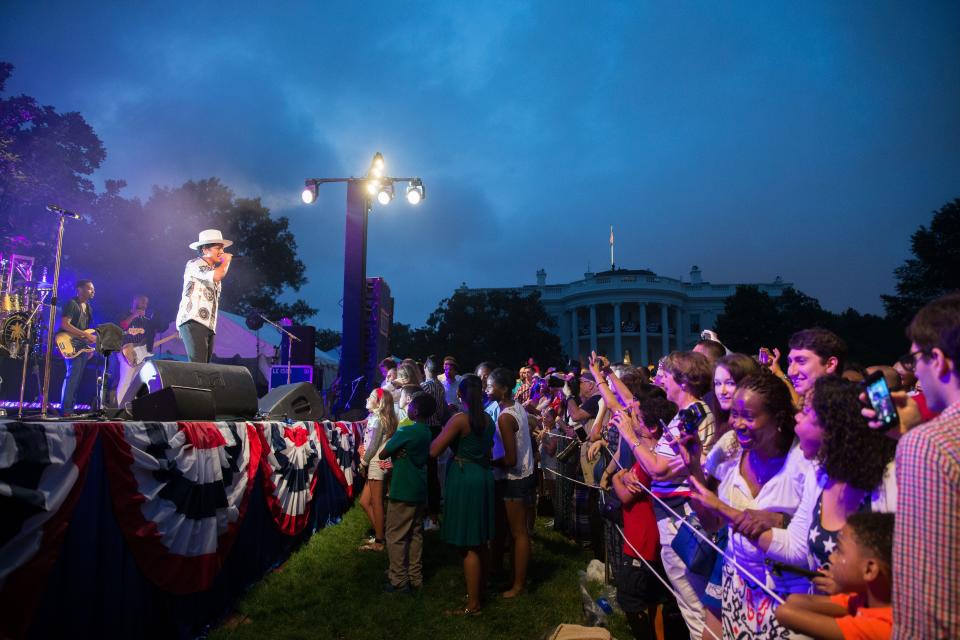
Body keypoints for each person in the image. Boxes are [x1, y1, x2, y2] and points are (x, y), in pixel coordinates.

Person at [685, 371, 812, 639]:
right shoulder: (731, 450)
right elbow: (713, 523)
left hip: (787, 596)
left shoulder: (802, 460)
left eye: (749, 417)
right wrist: (694, 466)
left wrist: (779, 520)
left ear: (778, 418)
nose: (737, 423)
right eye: (734, 414)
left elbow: (816, 539)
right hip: (738, 586)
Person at [869, 293, 960, 639]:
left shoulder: (930, 445)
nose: (914, 368)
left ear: (937, 360)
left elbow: (929, 596)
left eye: (914, 357)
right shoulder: (927, 439)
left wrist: (914, 439)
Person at [762, 376, 897, 588]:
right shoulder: (819, 474)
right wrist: (731, 516)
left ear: (833, 428)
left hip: (872, 617)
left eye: (806, 412)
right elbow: (797, 547)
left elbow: (904, 570)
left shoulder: (891, 481)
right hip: (828, 612)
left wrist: (848, 588)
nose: (797, 418)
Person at [628, 350, 715, 638]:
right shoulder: (684, 415)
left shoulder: (694, 414)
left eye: (667, 374)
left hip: (682, 517)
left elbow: (659, 469)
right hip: (671, 515)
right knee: (688, 602)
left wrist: (630, 435)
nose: (661, 380)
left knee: (696, 606)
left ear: (685, 381)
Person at [612, 394, 687, 640]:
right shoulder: (653, 452)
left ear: (652, 427)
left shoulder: (650, 456)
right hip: (648, 539)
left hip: (641, 543)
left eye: (637, 416)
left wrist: (616, 477)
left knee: (632, 599)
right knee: (654, 598)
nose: (631, 419)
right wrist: (623, 473)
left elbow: (625, 495)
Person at [430, 374, 495, 616]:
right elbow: (487, 451)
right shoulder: (489, 420)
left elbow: (434, 449)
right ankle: (480, 589)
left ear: (460, 394)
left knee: (468, 544)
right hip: (482, 476)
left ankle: (473, 604)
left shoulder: (460, 419)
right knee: (480, 541)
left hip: (465, 476)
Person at [776, 512, 895, 640]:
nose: (831, 557)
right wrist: (842, 587)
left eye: (839, 550)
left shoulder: (882, 628)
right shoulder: (863, 598)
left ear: (869, 570)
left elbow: (784, 613)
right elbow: (794, 601)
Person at [379, 394, 436, 593]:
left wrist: (396, 449)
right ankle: (415, 576)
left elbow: (383, 453)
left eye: (411, 404)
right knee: (415, 534)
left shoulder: (407, 431)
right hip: (419, 490)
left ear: (416, 411)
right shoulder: (427, 432)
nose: (408, 406)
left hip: (403, 489)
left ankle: (398, 580)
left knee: (395, 535)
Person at [487, 367, 536, 599]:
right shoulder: (511, 408)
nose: (487, 389)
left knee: (519, 533)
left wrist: (487, 461)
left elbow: (510, 458)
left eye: (490, 386)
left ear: (504, 389)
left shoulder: (506, 417)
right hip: (522, 475)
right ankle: (507, 574)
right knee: (512, 531)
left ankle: (518, 584)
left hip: (514, 479)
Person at [176, 229, 233, 363]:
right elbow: (218, 275)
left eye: (223, 249)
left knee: (204, 368)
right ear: (205, 249)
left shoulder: (212, 269)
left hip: (209, 324)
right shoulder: (195, 264)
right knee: (198, 366)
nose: (222, 252)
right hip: (193, 320)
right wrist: (227, 262)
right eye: (218, 248)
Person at [358, 388, 398, 552]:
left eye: (372, 396)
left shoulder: (378, 420)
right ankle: (383, 535)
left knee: (376, 503)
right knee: (365, 502)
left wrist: (363, 461)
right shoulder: (377, 418)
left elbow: (374, 445)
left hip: (375, 463)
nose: (368, 397)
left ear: (380, 403)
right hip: (378, 462)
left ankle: (380, 541)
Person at [58, 280, 96, 416]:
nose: (93, 291)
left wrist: (89, 346)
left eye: (93, 289)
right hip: (69, 343)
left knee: (77, 378)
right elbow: (64, 324)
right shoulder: (72, 304)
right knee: (72, 376)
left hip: (81, 346)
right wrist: (84, 334)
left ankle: (70, 409)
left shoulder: (89, 308)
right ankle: (66, 410)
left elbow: (86, 330)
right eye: (90, 289)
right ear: (80, 289)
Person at [786, 327, 847, 403]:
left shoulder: (849, 411)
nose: (790, 372)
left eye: (801, 361)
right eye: (790, 362)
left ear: (830, 364)